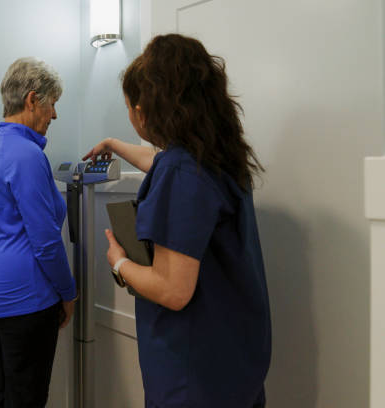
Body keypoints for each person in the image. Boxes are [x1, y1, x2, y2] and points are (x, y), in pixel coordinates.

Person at [83, 34, 272, 408]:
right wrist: (114, 144)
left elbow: (172, 290)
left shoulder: (182, 171)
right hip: (236, 358)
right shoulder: (218, 158)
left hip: (193, 374)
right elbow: (159, 161)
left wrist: (119, 263)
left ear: (144, 110)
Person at [0, 57, 77, 408]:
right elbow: (46, 242)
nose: (54, 114)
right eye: (52, 103)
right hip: (23, 298)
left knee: (5, 391)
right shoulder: (27, 154)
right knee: (26, 398)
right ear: (32, 100)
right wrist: (68, 292)